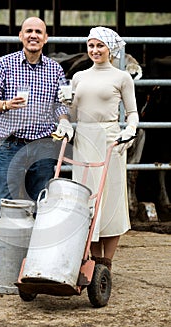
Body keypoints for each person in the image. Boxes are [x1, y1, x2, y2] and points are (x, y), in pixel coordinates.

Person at [0, 17, 74, 288]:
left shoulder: (54, 69)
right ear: (20, 36)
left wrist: (63, 119)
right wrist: (6, 104)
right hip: (12, 145)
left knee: (43, 205)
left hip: (44, 146)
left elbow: (61, 103)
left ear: (46, 38)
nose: (33, 35)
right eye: (29, 31)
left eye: (38, 32)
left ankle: (38, 265)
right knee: (2, 206)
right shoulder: (4, 64)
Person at [59, 26, 139, 271]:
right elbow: (70, 113)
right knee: (87, 198)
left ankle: (107, 263)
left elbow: (133, 113)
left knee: (111, 198)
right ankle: (92, 259)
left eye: (99, 46)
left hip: (110, 141)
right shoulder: (79, 77)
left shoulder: (122, 78)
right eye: (91, 45)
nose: (94, 50)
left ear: (110, 49)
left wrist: (129, 131)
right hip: (84, 140)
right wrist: (65, 124)